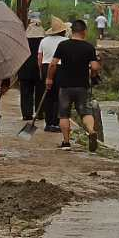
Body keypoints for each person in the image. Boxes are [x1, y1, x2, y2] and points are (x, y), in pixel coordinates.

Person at [46, 19, 101, 152]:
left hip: (65, 85)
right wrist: (93, 75)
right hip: (82, 85)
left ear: (72, 31)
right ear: (84, 32)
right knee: (85, 112)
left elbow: (53, 64)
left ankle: (66, 142)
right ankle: (91, 131)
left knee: (64, 114)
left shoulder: (63, 45)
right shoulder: (89, 47)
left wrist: (49, 79)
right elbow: (94, 66)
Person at [38, 16, 69, 132]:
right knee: (59, 97)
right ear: (63, 30)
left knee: (48, 96)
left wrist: (41, 71)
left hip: (46, 67)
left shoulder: (44, 41)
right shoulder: (65, 41)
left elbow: (39, 57)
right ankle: (56, 123)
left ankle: (48, 122)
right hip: (60, 68)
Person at [18, 20, 45, 121]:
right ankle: (39, 113)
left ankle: (26, 114)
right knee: (40, 92)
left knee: (25, 93)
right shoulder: (43, 41)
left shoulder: (22, 42)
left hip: (24, 70)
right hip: (39, 70)